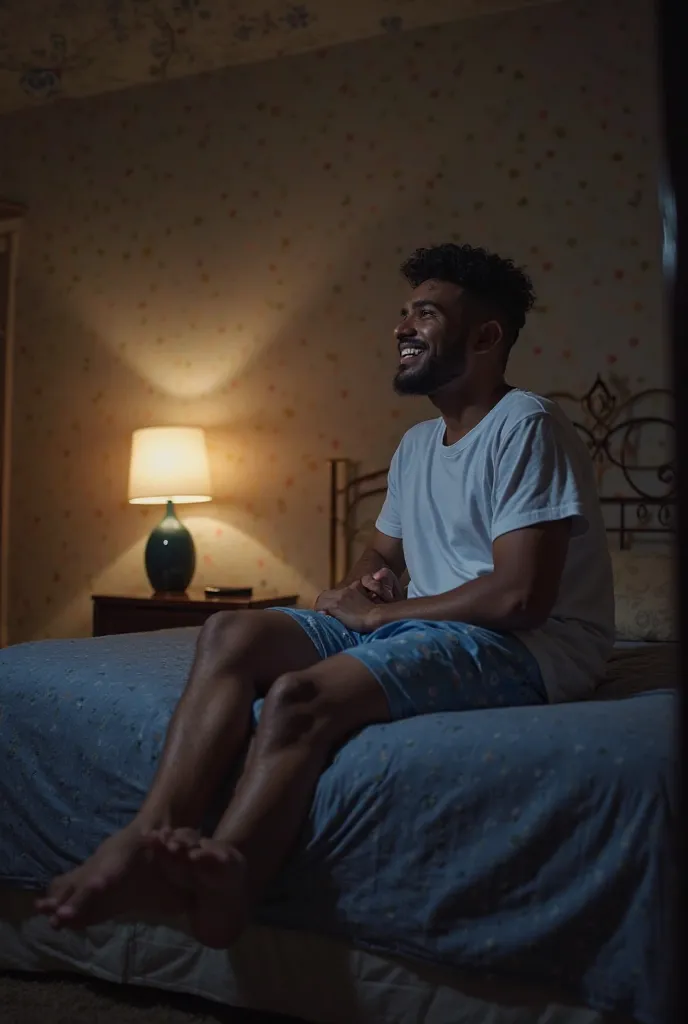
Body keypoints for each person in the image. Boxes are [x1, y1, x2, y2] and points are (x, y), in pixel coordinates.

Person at [36, 243, 614, 948]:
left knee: (296, 697)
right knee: (231, 633)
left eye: (425, 314)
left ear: (487, 337)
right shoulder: (417, 447)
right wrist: (358, 585)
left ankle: (232, 876)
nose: (402, 327)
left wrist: (379, 614)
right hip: (428, 626)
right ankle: (148, 835)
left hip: (525, 646)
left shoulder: (526, 424)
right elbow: (381, 552)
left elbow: (521, 596)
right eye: (402, 314)